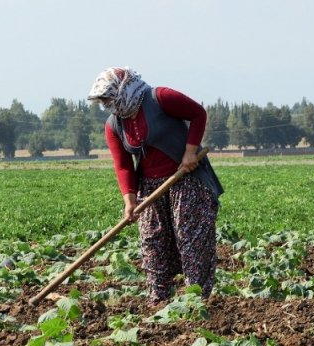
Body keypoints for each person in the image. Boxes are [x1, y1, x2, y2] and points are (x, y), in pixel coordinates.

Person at [87, 67, 223, 303]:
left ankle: (197, 301)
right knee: (153, 243)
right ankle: (159, 302)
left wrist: (191, 152)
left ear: (123, 89)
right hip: (149, 188)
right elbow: (123, 164)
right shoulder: (114, 125)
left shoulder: (159, 98)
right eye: (104, 102)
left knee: (189, 239)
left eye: (109, 99)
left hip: (185, 178)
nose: (108, 105)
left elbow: (198, 114)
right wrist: (129, 200)